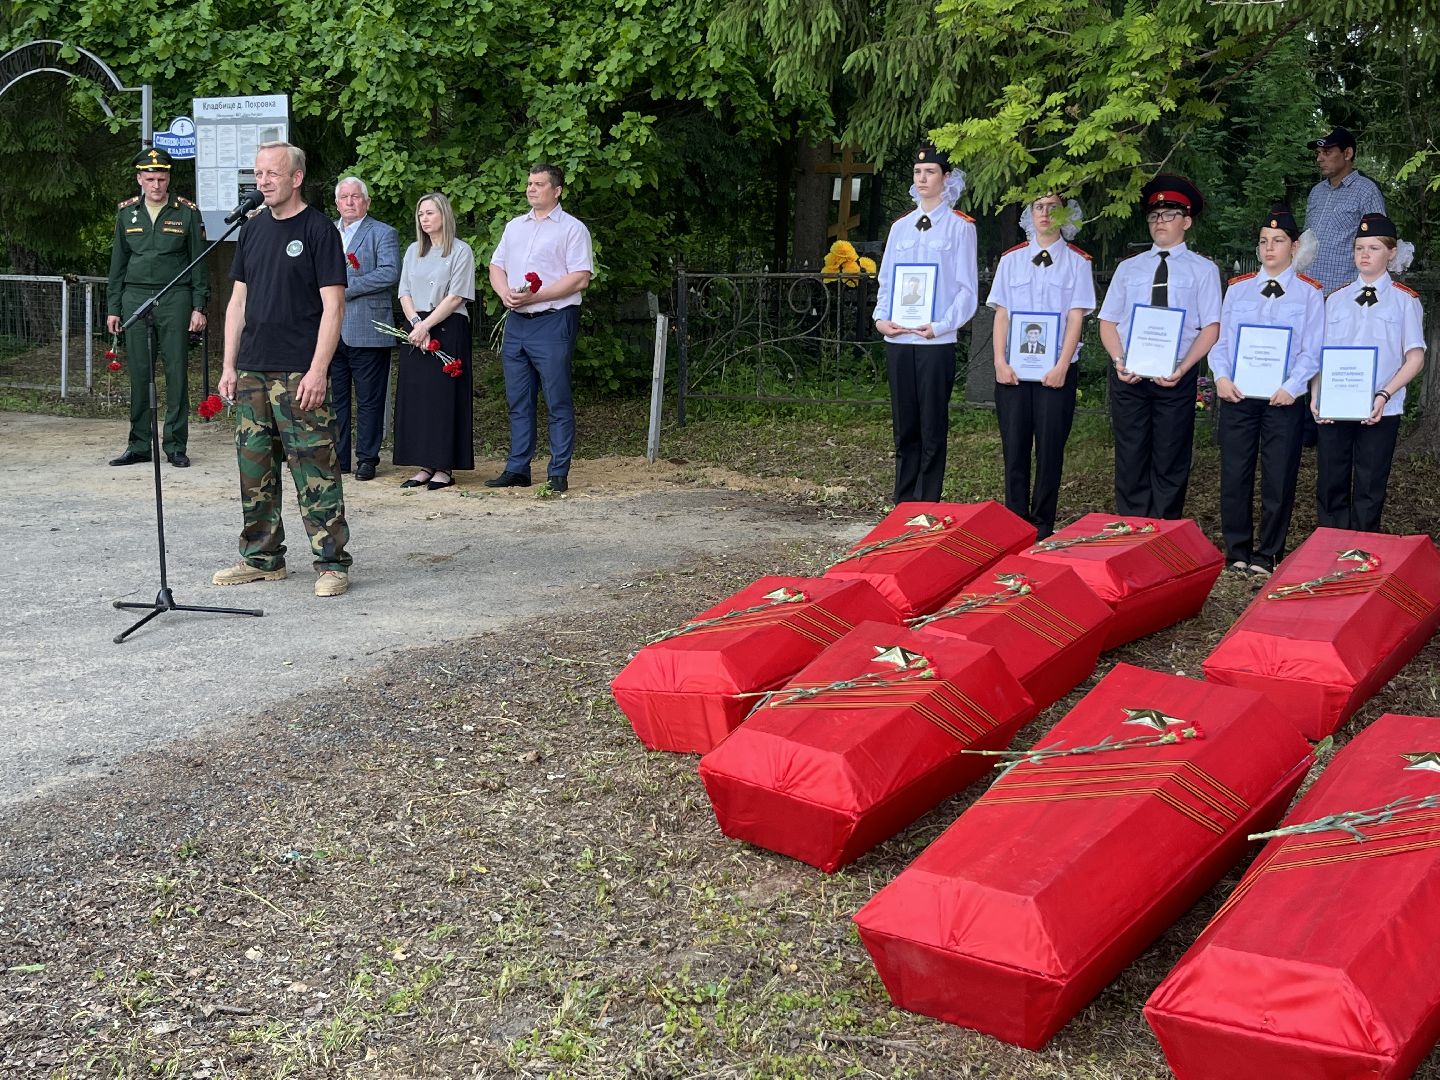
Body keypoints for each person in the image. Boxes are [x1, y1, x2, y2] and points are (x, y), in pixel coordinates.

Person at [213, 141, 352, 598]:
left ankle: (331, 563)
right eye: (258, 174)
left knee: (314, 468)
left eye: (272, 173)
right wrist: (229, 364)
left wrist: (318, 369)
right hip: (252, 369)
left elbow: (334, 306)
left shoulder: (318, 230)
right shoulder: (251, 230)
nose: (263, 181)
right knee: (254, 470)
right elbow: (238, 303)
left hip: (299, 372)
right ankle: (262, 558)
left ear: (296, 178)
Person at [1209, 204, 1324, 575]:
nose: (1269, 248)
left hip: (1283, 400)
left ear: (1294, 246)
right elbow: (1222, 343)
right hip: (1239, 396)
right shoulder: (1238, 290)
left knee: (1279, 476)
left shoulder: (1308, 294)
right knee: (1235, 473)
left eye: (1278, 240)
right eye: (1263, 241)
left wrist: (1293, 387)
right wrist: (1221, 377)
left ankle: (1267, 554)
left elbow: (1312, 350)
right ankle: (1237, 551)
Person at [1098, 174, 1221, 519]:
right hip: (1129, 375)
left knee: (1171, 455)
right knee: (1130, 455)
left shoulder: (1203, 270)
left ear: (1187, 221)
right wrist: (1119, 360)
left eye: (1169, 215)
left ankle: (1164, 528)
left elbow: (1211, 327)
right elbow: (1108, 321)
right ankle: (1132, 525)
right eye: (1154, 216)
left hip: (1175, 375)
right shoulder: (1129, 268)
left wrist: (1183, 369)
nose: (1160, 222)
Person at [873, 143, 978, 503]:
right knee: (905, 428)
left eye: (931, 172)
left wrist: (942, 325)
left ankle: (926, 504)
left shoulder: (960, 228)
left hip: (935, 341)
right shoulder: (900, 228)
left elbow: (967, 290)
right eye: (918, 172)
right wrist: (881, 319)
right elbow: (886, 281)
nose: (922, 178)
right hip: (899, 340)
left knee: (932, 428)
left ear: (946, 178)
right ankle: (903, 505)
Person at [987, 193, 1096, 539]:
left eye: (1053, 207)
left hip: (1055, 372)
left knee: (1050, 451)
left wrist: (1062, 365)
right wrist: (999, 361)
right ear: (1029, 213)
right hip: (1014, 372)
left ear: (1066, 214)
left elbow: (1076, 317)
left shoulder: (1078, 263)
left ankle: (1042, 526)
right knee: (1014, 448)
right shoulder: (1011, 260)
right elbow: (1002, 314)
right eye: (1038, 207)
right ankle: (1014, 523)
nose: (1045, 213)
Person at [1312, 213, 1424, 532]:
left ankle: (1362, 549)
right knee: (1330, 482)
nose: (1364, 254)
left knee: (1370, 486)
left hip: (1382, 408)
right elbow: (1321, 355)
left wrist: (1384, 394)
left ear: (1391, 253)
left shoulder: (1405, 301)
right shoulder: (1335, 300)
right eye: (1359, 247)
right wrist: (1317, 395)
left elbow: (1415, 357)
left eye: (1374, 248)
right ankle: (1330, 546)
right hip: (1336, 406)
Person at [486, 164, 594, 493]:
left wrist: (538, 296)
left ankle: (558, 472)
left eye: (539, 184)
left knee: (556, 399)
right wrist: (504, 293)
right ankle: (518, 468)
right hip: (518, 322)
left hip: (553, 320)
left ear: (557, 191)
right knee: (518, 399)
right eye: (529, 183)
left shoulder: (572, 229)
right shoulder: (514, 227)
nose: (531, 189)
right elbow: (496, 265)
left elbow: (580, 277)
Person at [105, 147, 208, 468]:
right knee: (139, 373)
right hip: (135, 297)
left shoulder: (186, 212)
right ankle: (138, 444)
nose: (156, 185)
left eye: (161, 178)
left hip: (175, 297)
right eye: (149, 179)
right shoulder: (127, 213)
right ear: (139, 179)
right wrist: (113, 308)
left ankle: (175, 445)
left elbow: (198, 263)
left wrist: (199, 306)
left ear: (168, 179)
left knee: (176, 372)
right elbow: (118, 265)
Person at [393, 192, 476, 490]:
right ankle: (424, 463)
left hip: (447, 326)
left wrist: (427, 325)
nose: (424, 219)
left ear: (444, 215)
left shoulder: (461, 251)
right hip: (416, 328)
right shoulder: (413, 250)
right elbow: (404, 291)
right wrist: (416, 324)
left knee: (443, 398)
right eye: (420, 214)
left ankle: (444, 466)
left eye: (429, 213)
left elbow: (456, 296)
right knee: (418, 398)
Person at [331, 177, 401, 481]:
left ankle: (367, 458)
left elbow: (389, 272)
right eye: (344, 197)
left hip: (368, 327)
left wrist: (345, 289)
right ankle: (340, 458)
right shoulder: (327, 232)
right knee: (337, 399)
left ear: (367, 202)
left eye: (356, 196)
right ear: (337, 203)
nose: (350, 202)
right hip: (331, 329)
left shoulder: (382, 233)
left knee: (370, 399)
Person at [1305, 127, 1387, 296]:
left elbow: (1379, 244)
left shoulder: (1366, 191)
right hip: (1308, 291)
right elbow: (1305, 240)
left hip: (1345, 294)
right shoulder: (1316, 192)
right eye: (1318, 153)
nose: (1319, 158)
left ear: (1347, 153)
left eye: (1327, 152)